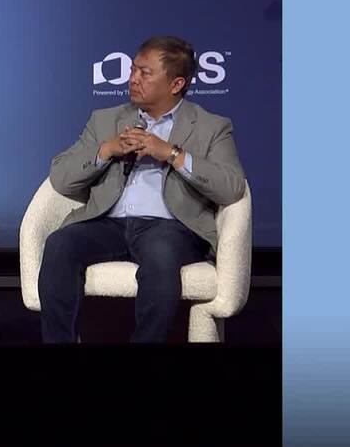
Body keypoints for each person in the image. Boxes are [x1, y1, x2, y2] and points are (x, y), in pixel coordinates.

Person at [40, 35, 246, 343]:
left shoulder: (212, 126)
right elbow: (60, 177)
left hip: (170, 227)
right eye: (133, 69)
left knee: (160, 254)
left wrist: (171, 154)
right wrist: (107, 149)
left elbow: (232, 187)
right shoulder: (105, 119)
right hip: (108, 223)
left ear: (176, 84)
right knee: (60, 244)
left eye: (145, 73)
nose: (133, 78)